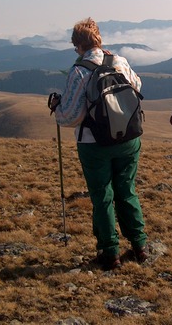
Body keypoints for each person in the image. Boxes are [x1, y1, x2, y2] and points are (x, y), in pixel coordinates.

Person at [51, 18, 147, 271]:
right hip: (128, 139)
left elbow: (70, 116)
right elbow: (137, 86)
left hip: (94, 145)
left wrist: (56, 108)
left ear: (78, 44)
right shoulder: (120, 61)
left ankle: (110, 252)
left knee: (102, 196)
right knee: (127, 190)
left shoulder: (80, 71)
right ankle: (140, 245)